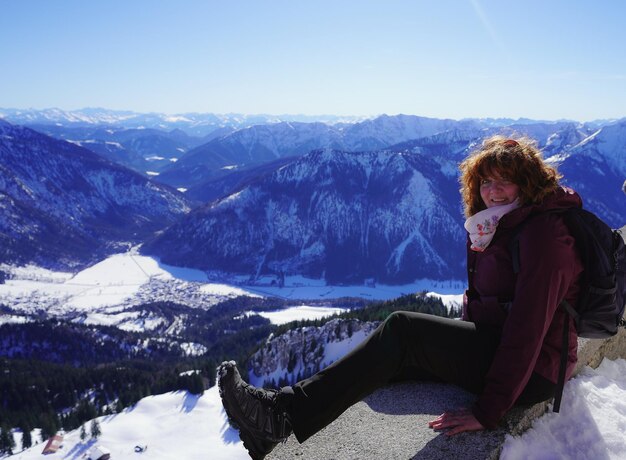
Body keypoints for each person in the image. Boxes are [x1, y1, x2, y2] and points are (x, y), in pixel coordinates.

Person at [218, 135, 583, 460]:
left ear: (528, 183)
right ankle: (272, 429)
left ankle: (280, 415)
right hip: (501, 347)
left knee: (403, 329)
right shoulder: (503, 224)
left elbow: (527, 331)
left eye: (506, 180)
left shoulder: (544, 238)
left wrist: (488, 411)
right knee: (388, 360)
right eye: (486, 181)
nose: (493, 190)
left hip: (537, 371)